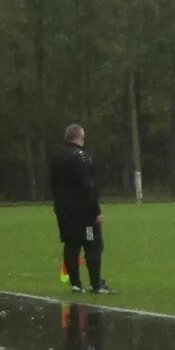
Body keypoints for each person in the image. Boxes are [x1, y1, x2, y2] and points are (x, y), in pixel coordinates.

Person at [50, 123, 108, 294]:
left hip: (64, 212)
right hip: (84, 214)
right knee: (92, 244)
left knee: (71, 245)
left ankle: (75, 284)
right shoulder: (81, 157)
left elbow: (53, 184)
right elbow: (87, 186)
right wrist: (96, 211)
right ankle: (96, 284)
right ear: (81, 137)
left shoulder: (57, 157)